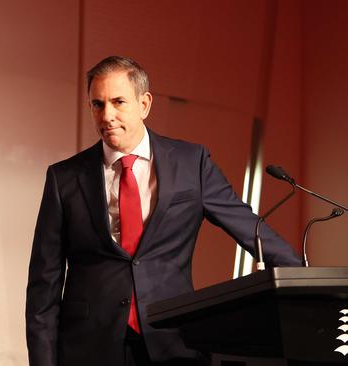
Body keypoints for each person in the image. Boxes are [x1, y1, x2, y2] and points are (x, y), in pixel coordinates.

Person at [25, 56, 300, 366]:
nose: (107, 115)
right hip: (89, 347)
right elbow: (42, 289)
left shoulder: (190, 162)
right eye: (97, 104)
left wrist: (301, 277)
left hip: (173, 342)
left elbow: (248, 226)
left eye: (118, 102)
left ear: (144, 104)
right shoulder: (64, 178)